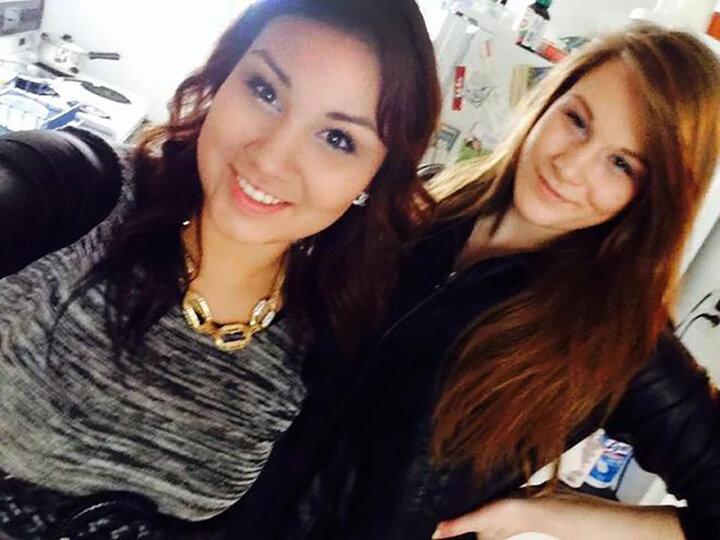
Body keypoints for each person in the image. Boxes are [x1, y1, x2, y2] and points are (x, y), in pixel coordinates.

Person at [240, 23, 720, 539]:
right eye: (577, 120)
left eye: (621, 163)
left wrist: (541, 513)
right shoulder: (418, 206)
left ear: (654, 196)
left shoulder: (619, 346)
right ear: (548, 102)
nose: (571, 166)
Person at [0, 0, 440, 537]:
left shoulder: (327, 342)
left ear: (372, 180)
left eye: (337, 139)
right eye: (265, 91)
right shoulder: (76, 195)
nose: (271, 157)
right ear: (223, 78)